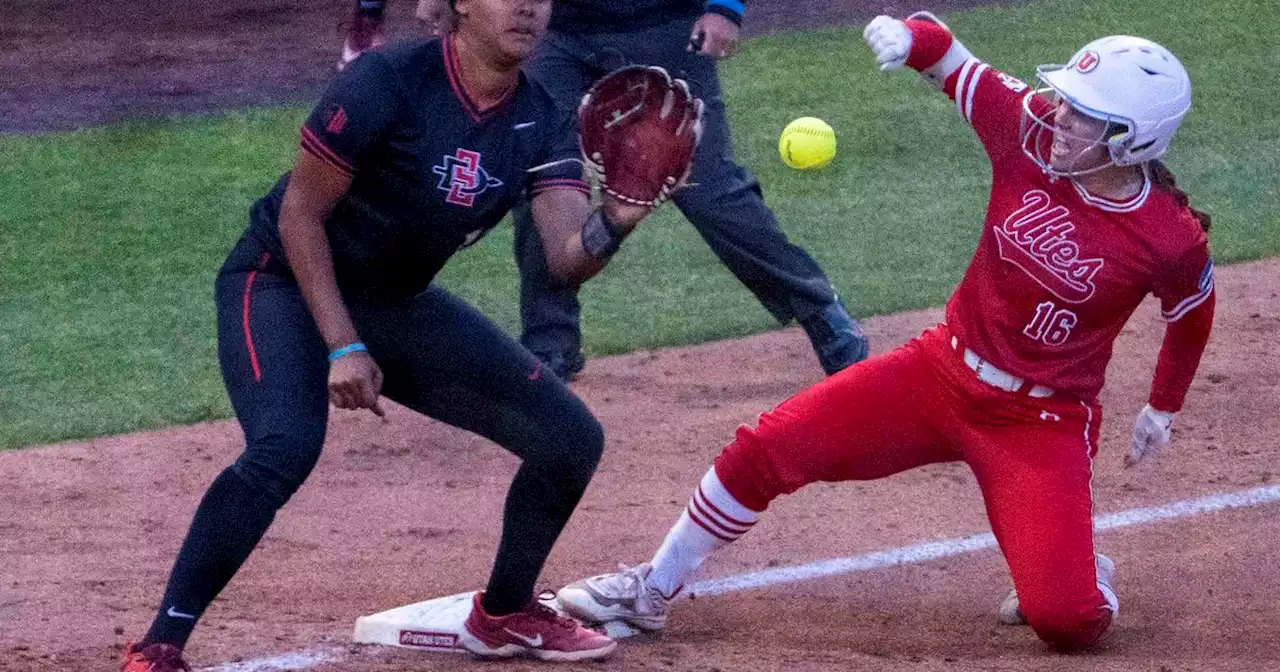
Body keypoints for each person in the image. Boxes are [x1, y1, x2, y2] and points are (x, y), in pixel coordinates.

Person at [554, 13, 1216, 652]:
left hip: (1038, 422)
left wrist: (1164, 404)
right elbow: (954, 62)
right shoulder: (1030, 131)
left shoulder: (1168, 238)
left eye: (1086, 113)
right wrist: (908, 37)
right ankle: (648, 590)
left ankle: (1081, 569)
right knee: (766, 447)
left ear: (1134, 138)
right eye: (1067, 99)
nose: (1063, 116)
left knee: (1065, 622)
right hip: (940, 374)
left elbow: (1191, 314)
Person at [121, 0, 672, 668]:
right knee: (284, 446)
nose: (528, 5)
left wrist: (617, 219)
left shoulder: (541, 117)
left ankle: (504, 612)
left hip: (395, 301)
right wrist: (344, 344)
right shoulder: (387, 81)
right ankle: (159, 645)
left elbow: (564, 260)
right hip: (278, 282)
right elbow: (301, 217)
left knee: (569, 439)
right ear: (461, 4)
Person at [343, 0, 871, 380]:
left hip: (668, 23)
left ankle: (820, 312)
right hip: (559, 31)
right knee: (542, 174)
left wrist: (725, 6)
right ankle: (550, 343)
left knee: (706, 188)